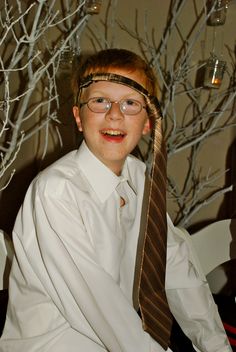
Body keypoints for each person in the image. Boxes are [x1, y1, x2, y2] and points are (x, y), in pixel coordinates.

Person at [0, 48, 232, 352]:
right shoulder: (56, 192)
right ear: (78, 117)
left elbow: (175, 267)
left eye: (130, 103)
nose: (114, 113)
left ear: (148, 122)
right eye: (100, 101)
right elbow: (102, 306)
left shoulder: (139, 179)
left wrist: (216, 346)